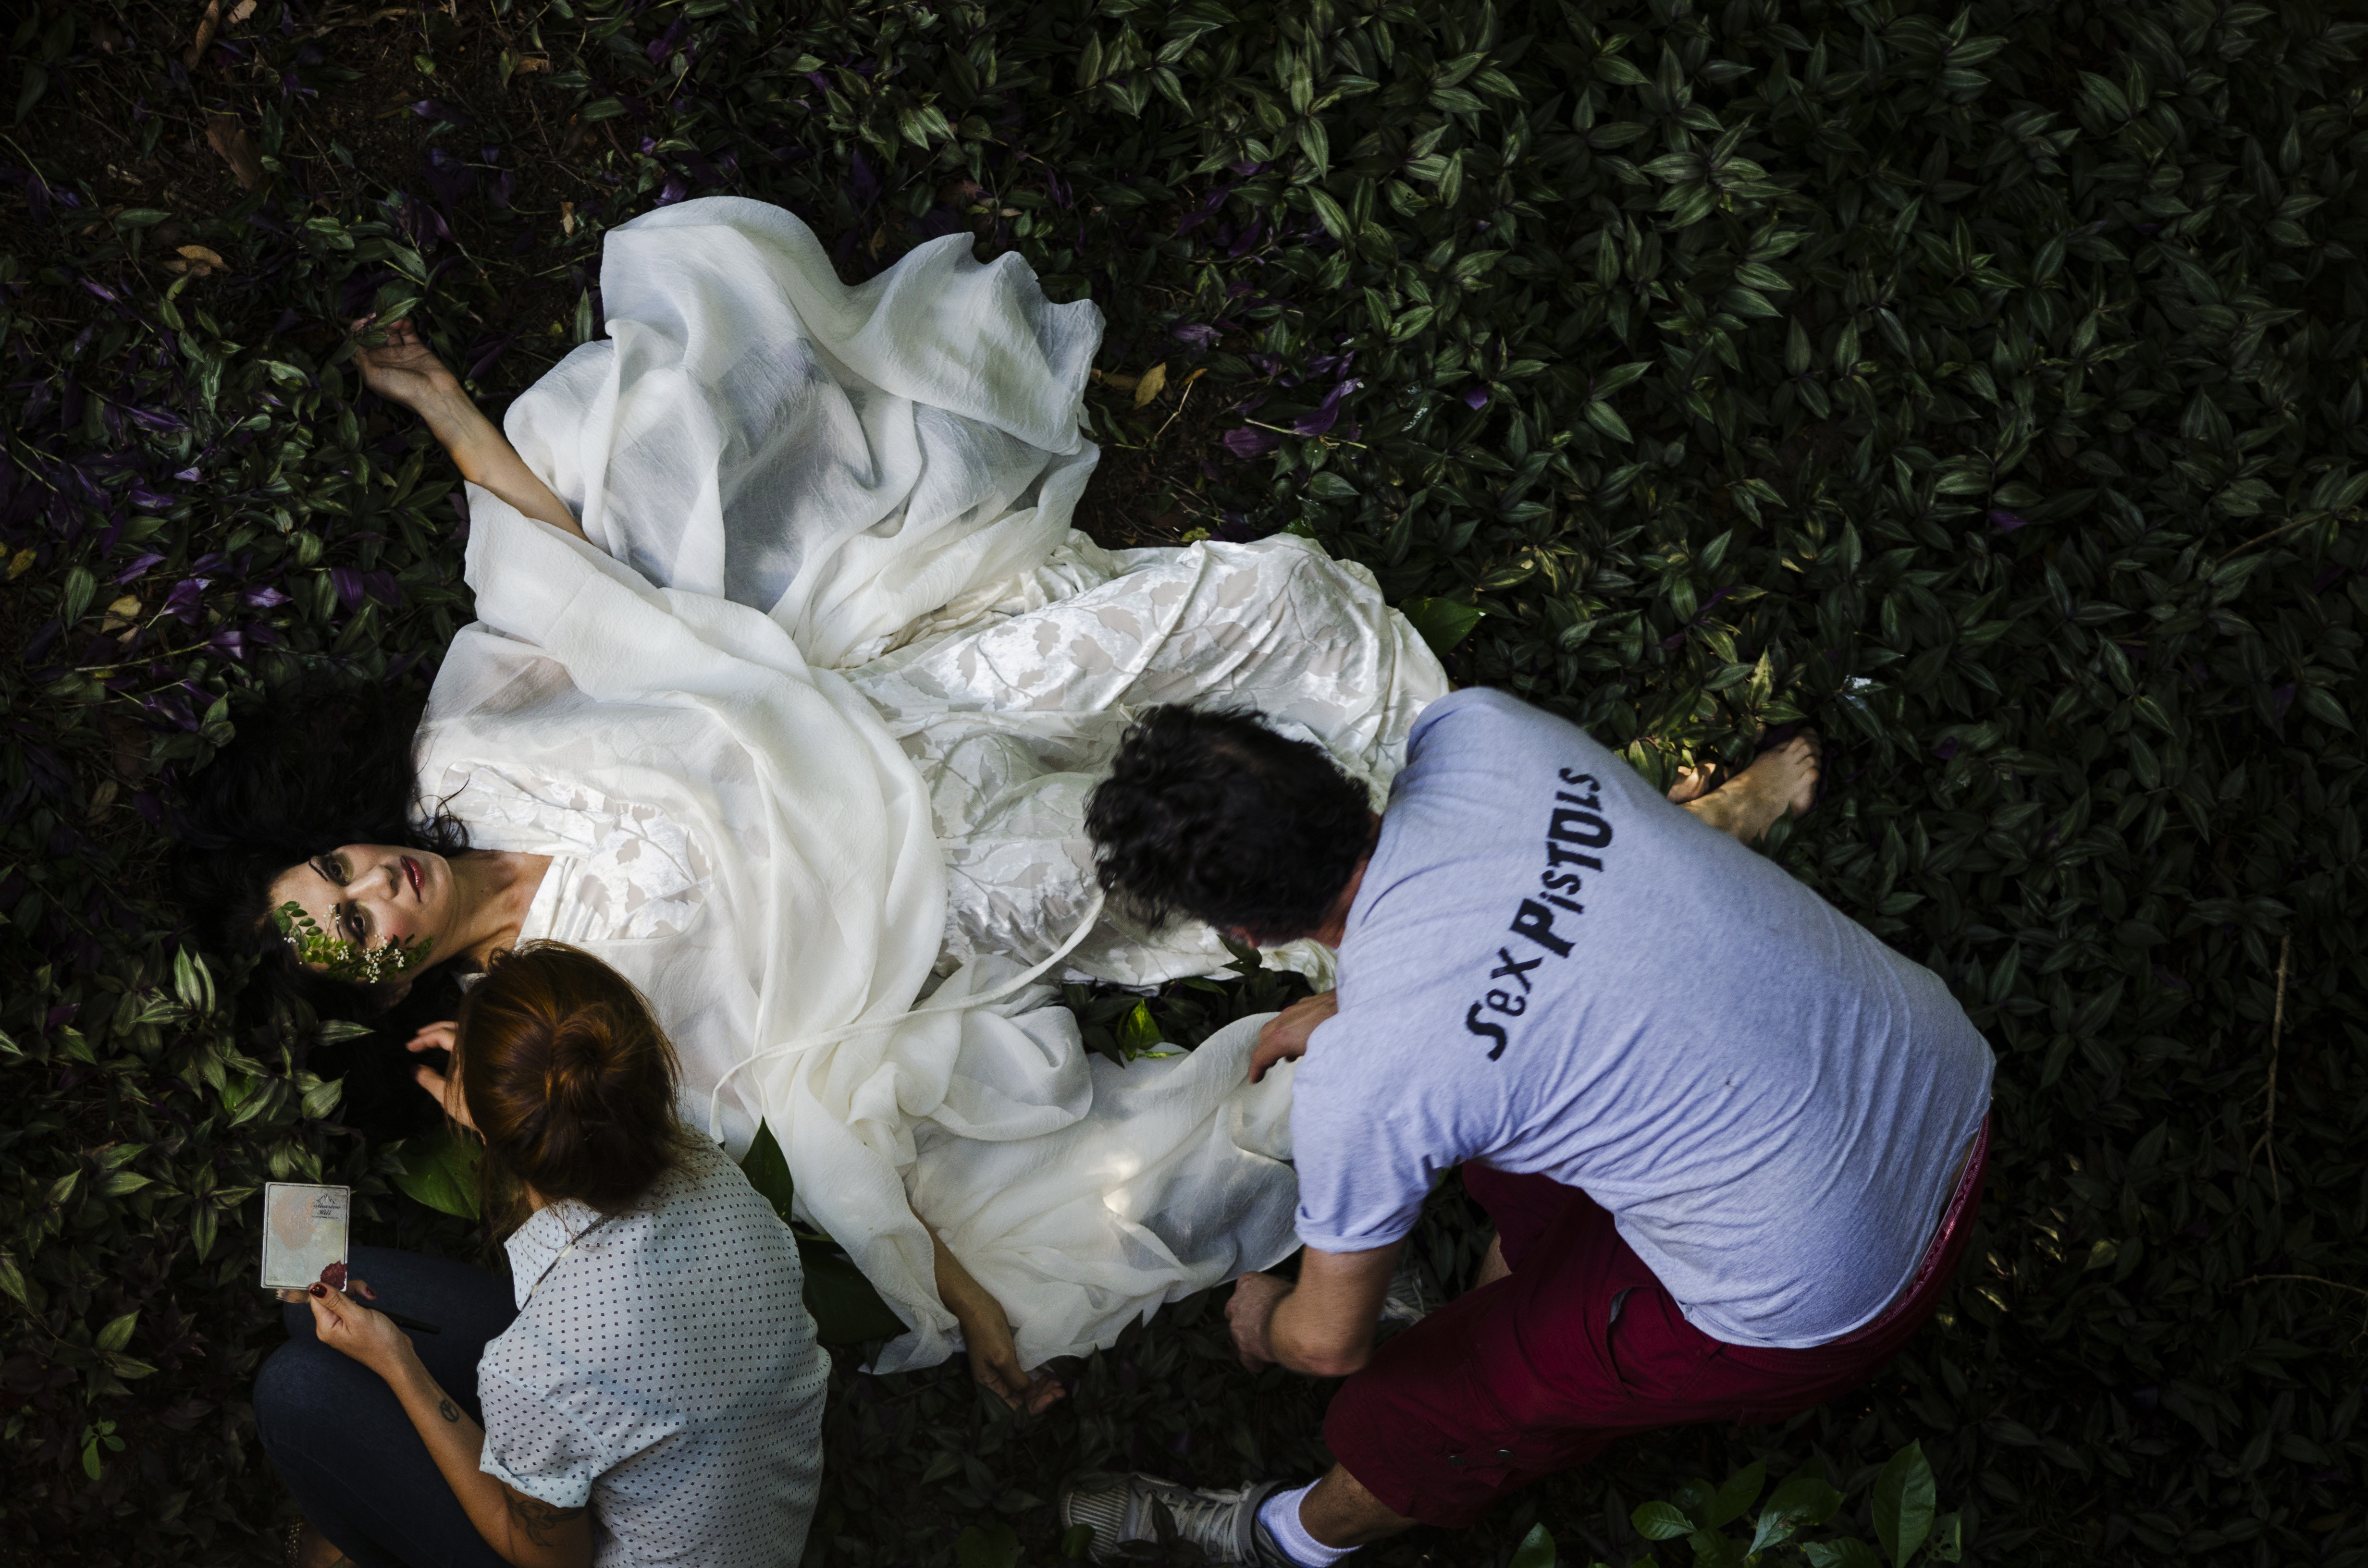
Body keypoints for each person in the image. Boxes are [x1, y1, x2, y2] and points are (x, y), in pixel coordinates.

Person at [177, 195, 1449, 1404]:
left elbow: (556, 579)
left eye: (334, 869)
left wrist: (447, 408)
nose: (372, 883)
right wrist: (960, 1300)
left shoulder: (462, 757)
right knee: (1194, 833)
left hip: (905, 706)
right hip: (943, 890)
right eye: (355, 925)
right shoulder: (552, 1015)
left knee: (1256, 601)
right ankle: (1432, 899)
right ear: (390, 990)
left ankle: (1433, 791)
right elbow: (796, 1119)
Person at [1057, 694, 1995, 1565]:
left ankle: (1281, 1541)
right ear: (1324, 769)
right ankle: (1516, 1295)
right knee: (1501, 1131)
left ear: (1248, 935)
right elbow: (1536, 935)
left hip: (1828, 1291)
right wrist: (1371, 1008)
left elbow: (1330, 1344)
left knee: (1416, 1407)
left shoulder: (1370, 1078)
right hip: (1941, 1081)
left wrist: (1269, 1320)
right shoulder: (1479, 732)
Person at [256, 942, 828, 1568]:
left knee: (294, 1388)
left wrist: (400, 1367)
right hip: (734, 1490)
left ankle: (363, 1544)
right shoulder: (706, 1168)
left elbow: (550, 1560)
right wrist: (510, 1096)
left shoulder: (539, 1363)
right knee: (317, 1303)